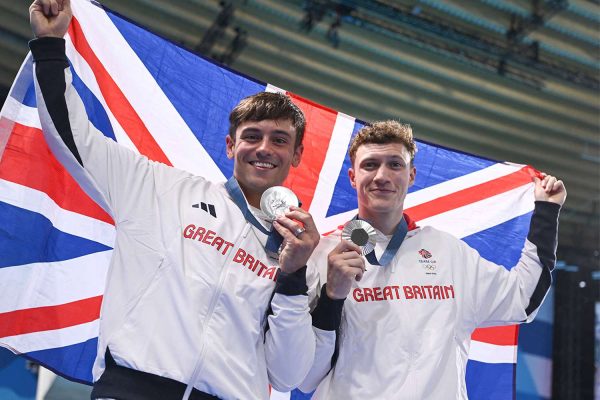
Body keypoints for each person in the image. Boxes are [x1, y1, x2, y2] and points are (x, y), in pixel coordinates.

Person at [29, 1, 321, 399]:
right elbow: (75, 138)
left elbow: (288, 375)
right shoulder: (159, 188)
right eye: (252, 136)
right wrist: (50, 46)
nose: (263, 148)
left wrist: (292, 276)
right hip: (133, 387)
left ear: (297, 156)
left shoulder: (299, 247)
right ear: (230, 145)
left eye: (280, 140)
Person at [299, 120, 566, 399]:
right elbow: (304, 377)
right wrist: (331, 297)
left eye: (394, 164)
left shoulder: (447, 252)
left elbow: (523, 299)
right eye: (370, 165)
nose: (381, 175)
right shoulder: (323, 255)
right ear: (353, 177)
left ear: (411, 175)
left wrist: (546, 213)